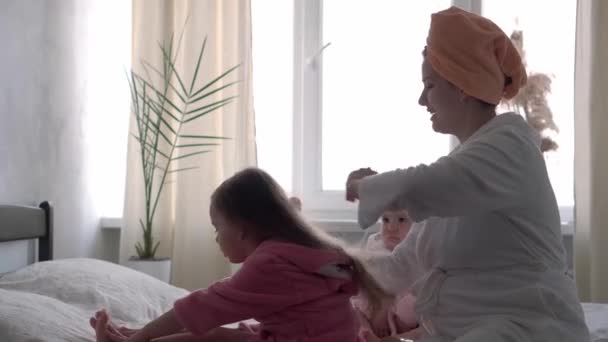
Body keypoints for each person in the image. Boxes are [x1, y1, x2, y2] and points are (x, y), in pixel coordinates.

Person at [345, 6, 589, 342]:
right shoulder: (459, 177)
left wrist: (363, 186)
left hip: (527, 328)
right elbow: (400, 267)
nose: (421, 100)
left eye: (429, 85)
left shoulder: (510, 147)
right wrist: (330, 265)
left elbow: (430, 183)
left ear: (461, 85)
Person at [92, 167, 389, 342]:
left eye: (218, 227)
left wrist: (143, 336)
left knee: (213, 336)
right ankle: (137, 336)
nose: (216, 238)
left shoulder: (271, 263)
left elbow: (203, 305)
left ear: (243, 230)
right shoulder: (305, 251)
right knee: (221, 335)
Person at [353, 209, 423, 341]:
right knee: (352, 303)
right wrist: (380, 308)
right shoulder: (375, 246)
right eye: (385, 220)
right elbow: (367, 282)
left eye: (402, 220)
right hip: (374, 307)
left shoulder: (419, 251)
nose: (391, 227)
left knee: (418, 302)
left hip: (403, 312)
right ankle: (366, 333)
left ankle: (398, 338)